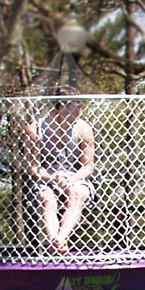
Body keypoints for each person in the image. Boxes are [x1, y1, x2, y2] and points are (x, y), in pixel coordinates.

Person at [26, 87, 96, 253]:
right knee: (47, 198)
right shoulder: (37, 129)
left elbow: (88, 166)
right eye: (76, 106)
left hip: (75, 178)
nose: (80, 110)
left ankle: (60, 238)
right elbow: (33, 167)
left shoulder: (83, 129)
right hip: (46, 178)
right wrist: (53, 179)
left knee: (78, 193)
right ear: (62, 106)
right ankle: (54, 242)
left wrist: (72, 180)